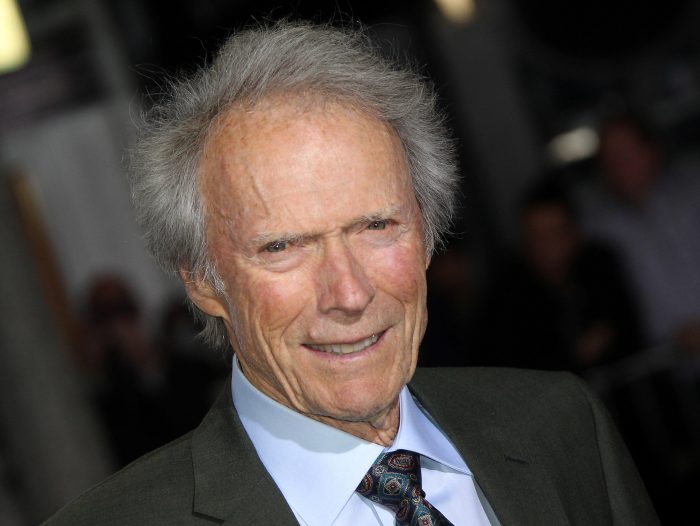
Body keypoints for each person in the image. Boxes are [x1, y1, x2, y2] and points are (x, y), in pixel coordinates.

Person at [45, 21, 658, 525]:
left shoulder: (562, 426)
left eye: (376, 226)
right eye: (283, 246)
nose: (349, 292)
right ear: (203, 280)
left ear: (427, 234)